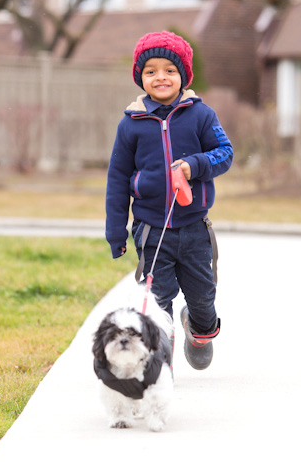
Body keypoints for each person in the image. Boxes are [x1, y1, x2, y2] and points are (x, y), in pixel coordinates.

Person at [105, 30, 233, 370]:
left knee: (204, 300)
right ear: (141, 78)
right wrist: (116, 231)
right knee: (155, 304)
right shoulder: (130, 124)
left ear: (183, 75)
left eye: (169, 70)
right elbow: (117, 178)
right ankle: (159, 364)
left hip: (194, 228)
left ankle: (198, 328)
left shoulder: (200, 115)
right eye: (151, 71)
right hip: (150, 229)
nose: (160, 76)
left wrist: (196, 165)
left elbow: (225, 153)